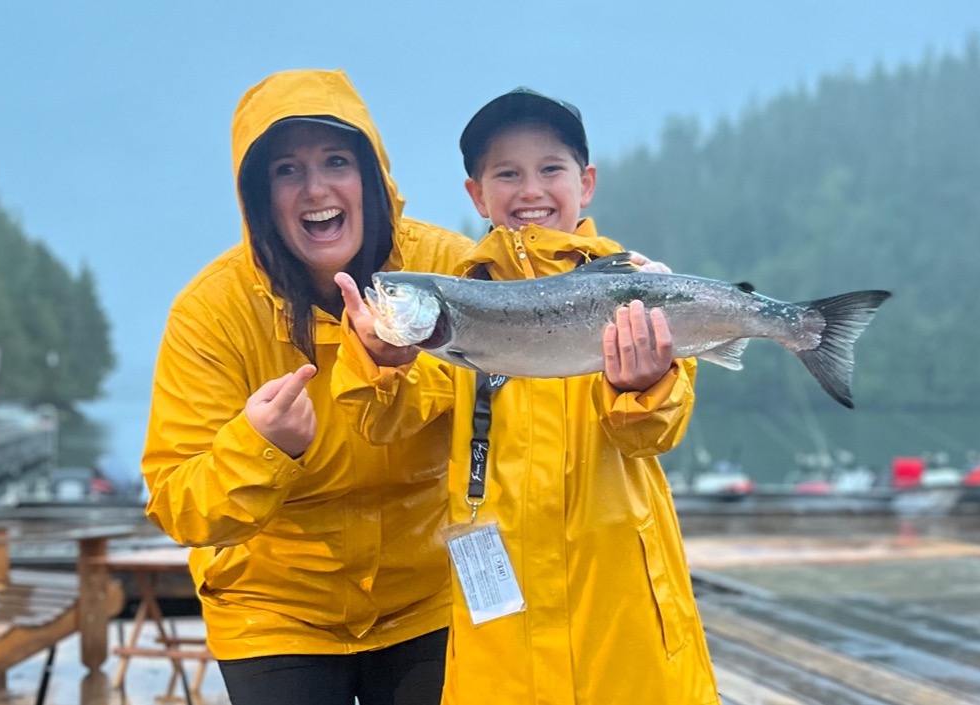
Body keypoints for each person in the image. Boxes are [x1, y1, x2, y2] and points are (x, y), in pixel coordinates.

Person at [333, 87, 720, 704]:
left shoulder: (639, 288)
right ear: (477, 195)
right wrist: (379, 363)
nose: (530, 189)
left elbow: (655, 434)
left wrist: (643, 387)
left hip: (618, 593)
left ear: (585, 183)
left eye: (551, 169)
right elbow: (389, 423)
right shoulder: (457, 306)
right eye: (506, 173)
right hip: (501, 605)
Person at [141, 69, 474, 705]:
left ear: (372, 176)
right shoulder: (210, 312)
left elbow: (517, 382)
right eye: (286, 171)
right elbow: (178, 503)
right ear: (257, 197)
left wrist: (397, 369)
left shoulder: (446, 266)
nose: (316, 188)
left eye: (336, 161)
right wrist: (262, 446)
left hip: (429, 593)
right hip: (273, 608)